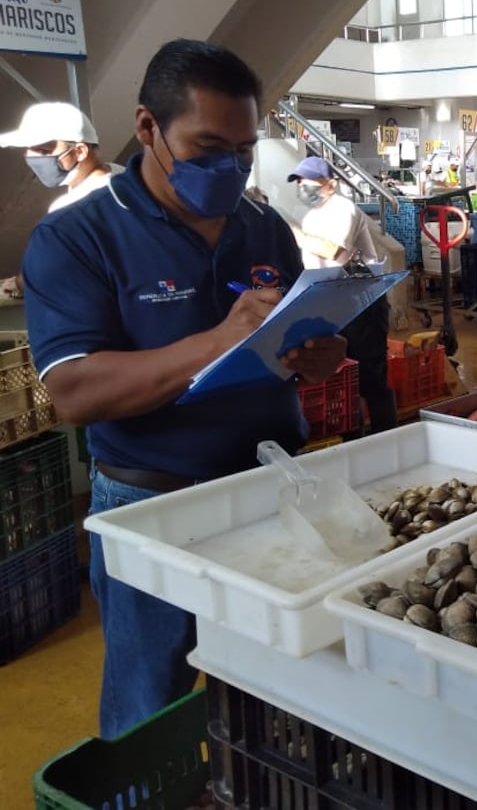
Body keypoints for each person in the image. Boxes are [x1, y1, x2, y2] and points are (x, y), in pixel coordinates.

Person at [21, 38, 347, 739]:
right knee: (151, 703)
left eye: (242, 150)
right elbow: (75, 392)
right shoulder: (79, 237)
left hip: (269, 493)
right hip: (154, 503)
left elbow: (279, 344)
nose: (226, 168)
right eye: (206, 148)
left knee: (274, 693)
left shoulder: (264, 228)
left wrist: (315, 354)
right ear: (147, 128)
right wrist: (219, 338)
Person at [289, 155, 397, 432]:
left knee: (370, 378)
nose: (304, 188)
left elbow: (334, 252)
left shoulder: (343, 208)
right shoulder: (311, 217)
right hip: (330, 301)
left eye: (310, 183)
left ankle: (387, 436)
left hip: (361, 303)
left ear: (331, 185)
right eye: (300, 183)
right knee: (342, 377)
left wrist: (292, 233)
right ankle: (352, 436)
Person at [0, 102, 125, 298]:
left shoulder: (70, 209)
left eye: (43, 150)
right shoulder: (121, 175)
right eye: (27, 149)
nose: (32, 157)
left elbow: (49, 269)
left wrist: (17, 284)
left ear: (80, 151)